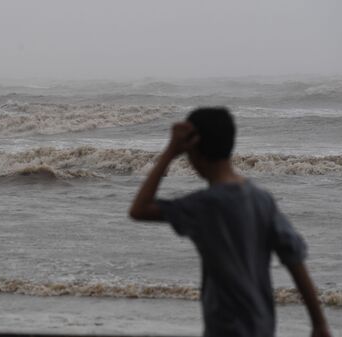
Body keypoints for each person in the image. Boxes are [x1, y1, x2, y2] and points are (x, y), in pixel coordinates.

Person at [129, 107, 331, 337]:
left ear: (193, 148)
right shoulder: (261, 199)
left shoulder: (203, 206)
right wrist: (319, 323)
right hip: (262, 325)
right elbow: (294, 258)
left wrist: (170, 152)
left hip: (224, 327)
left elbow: (139, 209)